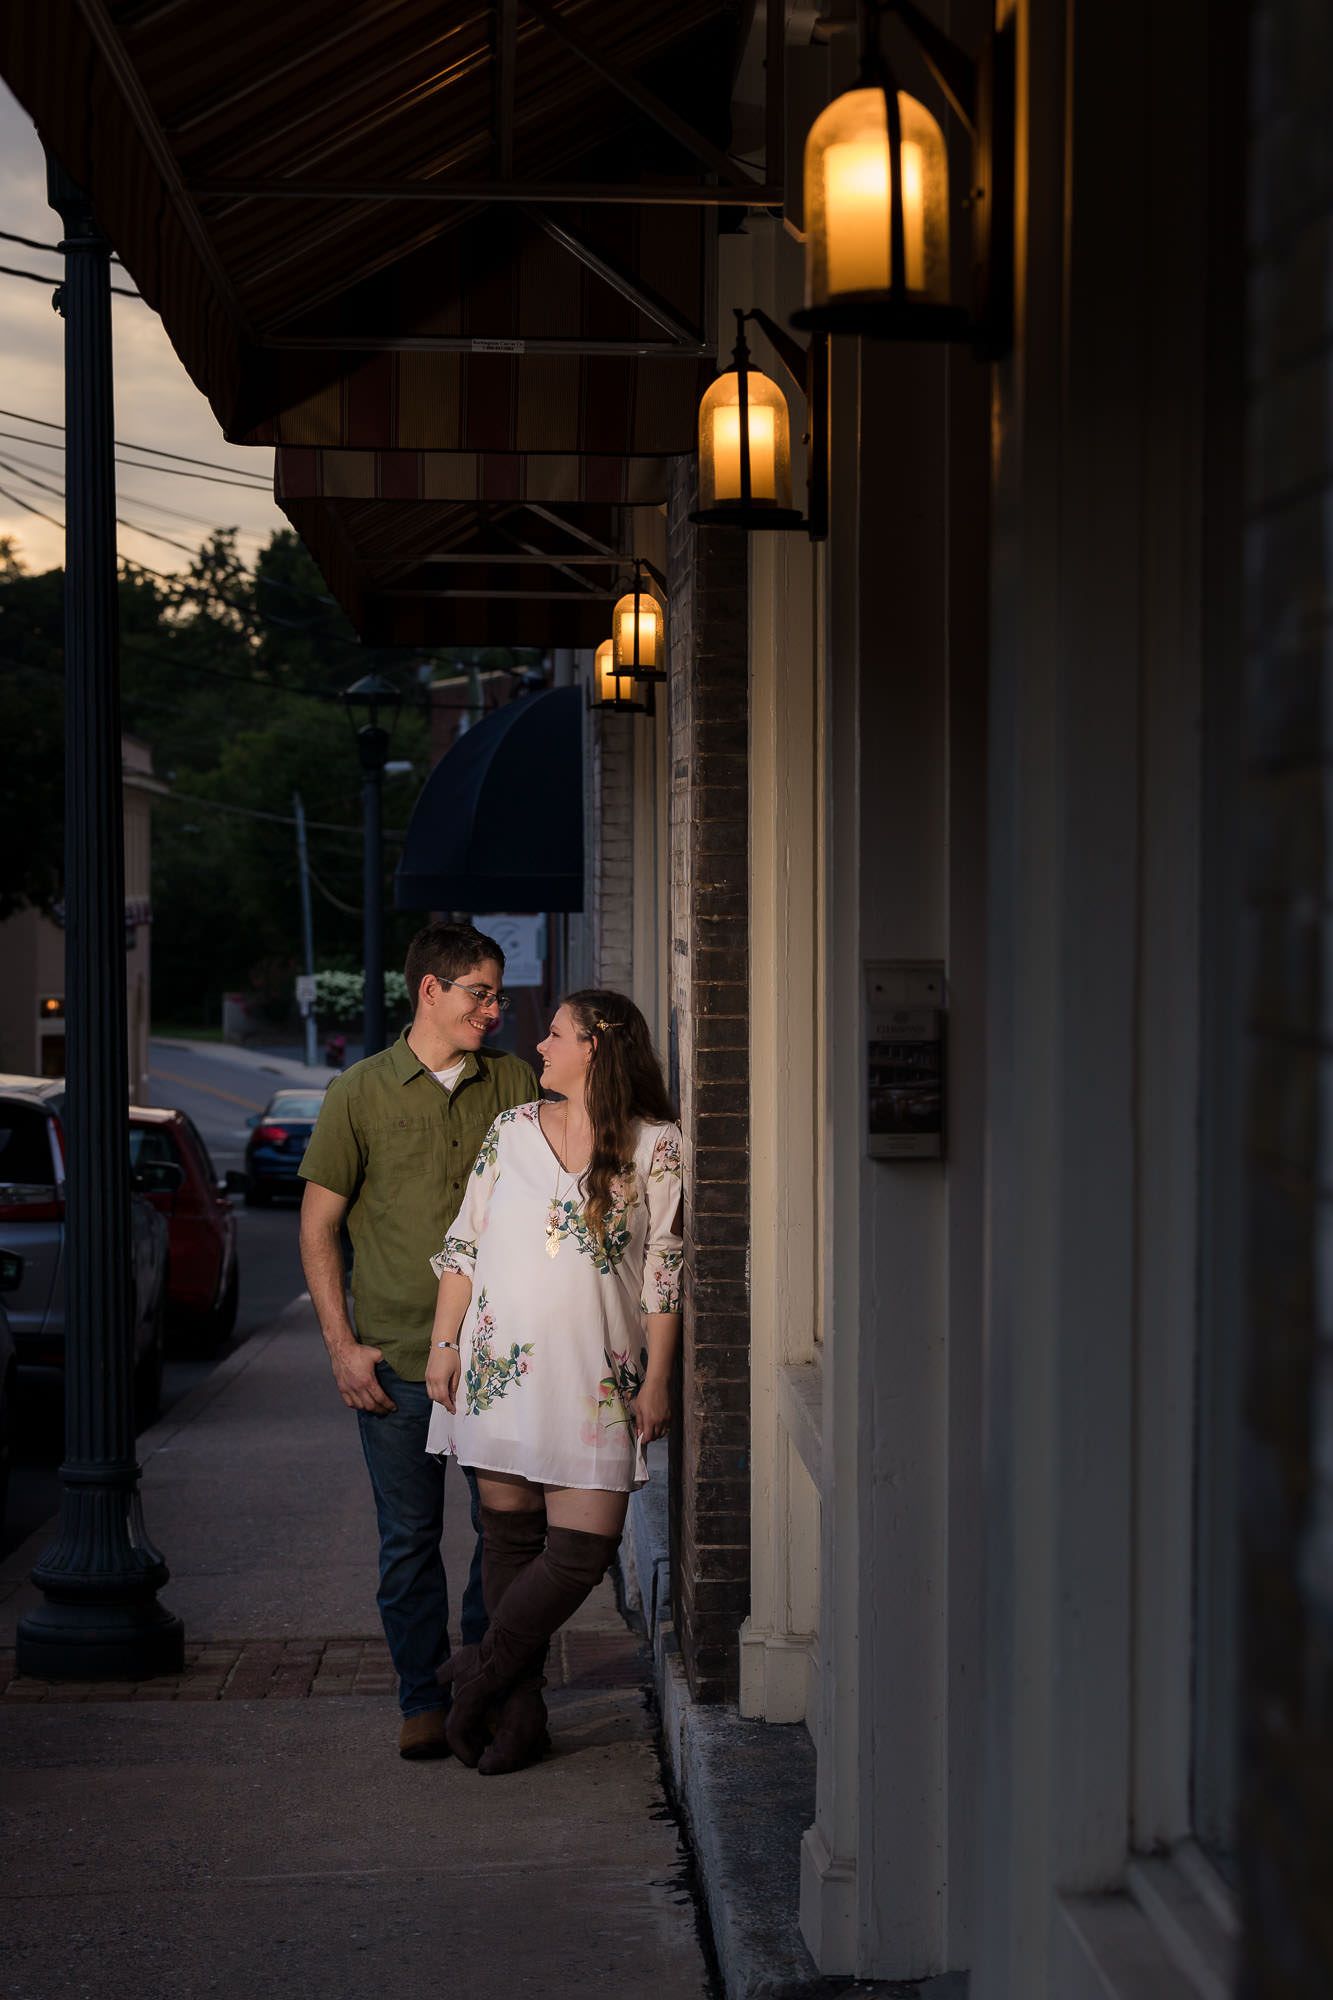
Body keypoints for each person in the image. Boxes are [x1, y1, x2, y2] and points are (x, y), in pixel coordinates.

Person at [424, 988, 683, 1775]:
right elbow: (463, 1245)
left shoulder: (656, 1144)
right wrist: (444, 1345)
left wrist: (658, 1380)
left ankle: (479, 1672)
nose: (541, 1046)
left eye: (557, 1034)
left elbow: (665, 1271)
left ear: (596, 1048)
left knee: (581, 1549)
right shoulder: (510, 1131)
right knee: (507, 1539)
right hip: (499, 1368)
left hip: (597, 1380)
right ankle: (520, 1711)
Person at [299, 922, 539, 1760]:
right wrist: (341, 1345)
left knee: (505, 1539)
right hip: (396, 1359)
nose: (494, 1008)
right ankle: (420, 1696)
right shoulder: (357, 1093)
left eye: (498, 993)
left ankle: (478, 1680)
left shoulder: (517, 1082)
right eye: (480, 992)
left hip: (499, 1359)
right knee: (408, 1542)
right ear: (430, 990)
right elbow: (319, 1226)